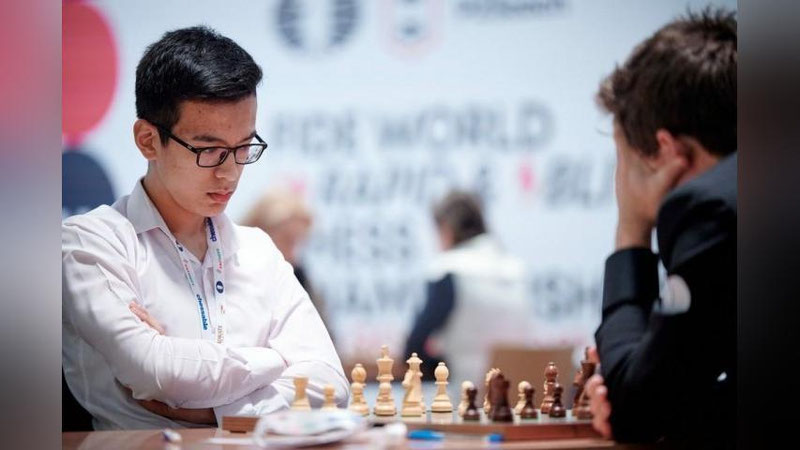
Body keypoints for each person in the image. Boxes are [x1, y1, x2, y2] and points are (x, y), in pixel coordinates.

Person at [62, 26, 348, 430]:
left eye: (244, 147)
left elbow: (330, 385)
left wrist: (213, 411)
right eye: (209, 150)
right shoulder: (90, 245)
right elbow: (156, 372)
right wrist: (276, 361)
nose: (230, 172)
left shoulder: (259, 251)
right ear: (148, 140)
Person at [584, 8, 736, 446]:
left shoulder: (712, 209)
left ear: (665, 150)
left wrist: (630, 230)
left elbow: (639, 408)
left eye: (624, 159)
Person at [403, 190, 534, 383]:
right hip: (516, 390)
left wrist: (438, 370)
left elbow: (413, 348)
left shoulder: (448, 271)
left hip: (464, 391)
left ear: (446, 230)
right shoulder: (516, 270)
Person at [239, 188, 333, 339]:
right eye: (287, 240)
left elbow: (325, 341)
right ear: (259, 232)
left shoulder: (301, 281)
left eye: (299, 243)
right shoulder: (231, 276)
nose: (293, 255)